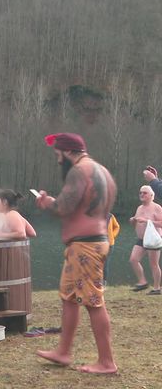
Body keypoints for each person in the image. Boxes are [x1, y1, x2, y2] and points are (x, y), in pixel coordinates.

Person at [35, 132, 117, 374]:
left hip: (86, 246)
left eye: (58, 154)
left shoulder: (79, 171)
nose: (58, 160)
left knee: (93, 302)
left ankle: (107, 362)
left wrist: (46, 202)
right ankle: (63, 352)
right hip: (94, 241)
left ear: (68, 151)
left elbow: (64, 207)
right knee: (69, 296)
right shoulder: (103, 172)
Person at [128, 185, 162, 294]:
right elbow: (136, 225)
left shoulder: (157, 208)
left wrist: (147, 221)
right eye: (140, 193)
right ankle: (142, 282)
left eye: (145, 193)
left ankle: (156, 288)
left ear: (152, 195)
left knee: (153, 264)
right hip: (141, 239)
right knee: (133, 259)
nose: (142, 194)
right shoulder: (139, 208)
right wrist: (133, 220)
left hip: (153, 239)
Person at [103, 213, 120, 285]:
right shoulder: (93, 215)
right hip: (96, 244)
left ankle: (104, 282)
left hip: (109, 244)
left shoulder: (110, 216)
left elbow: (117, 227)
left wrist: (112, 235)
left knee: (104, 264)